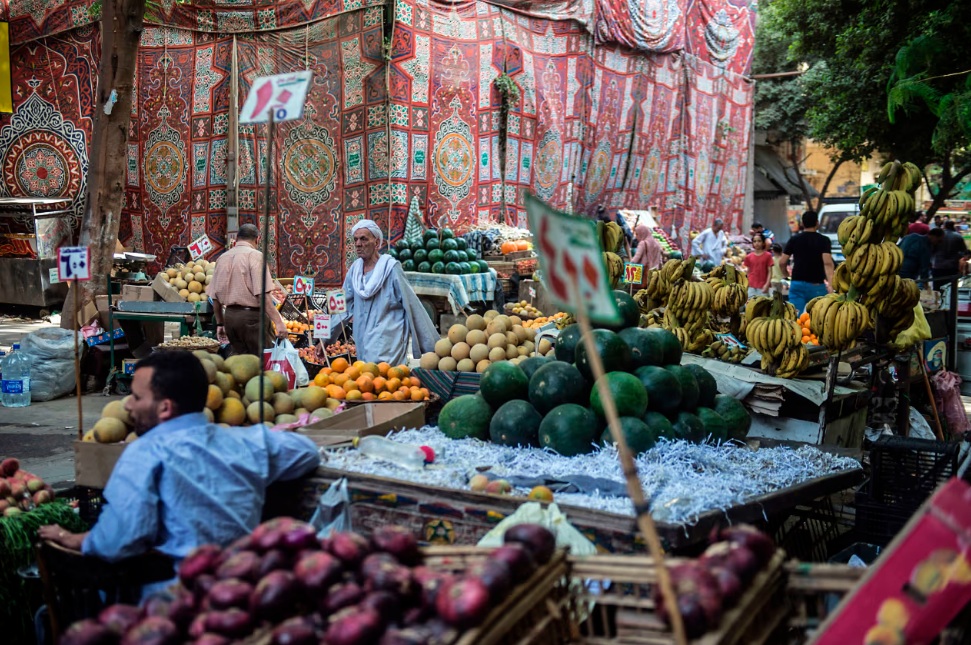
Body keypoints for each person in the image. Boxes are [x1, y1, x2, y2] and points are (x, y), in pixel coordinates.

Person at [39, 352, 319, 577]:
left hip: (177, 601)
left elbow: (119, 540)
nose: (127, 406)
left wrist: (78, 539)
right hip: (243, 587)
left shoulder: (143, 455)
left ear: (164, 408)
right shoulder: (247, 441)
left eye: (136, 397)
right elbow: (307, 452)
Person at [319, 220, 438, 365]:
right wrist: (325, 339)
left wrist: (431, 347)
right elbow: (342, 305)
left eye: (363, 239)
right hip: (362, 337)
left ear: (376, 243)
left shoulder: (391, 268)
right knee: (367, 381)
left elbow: (412, 305)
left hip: (388, 340)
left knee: (388, 381)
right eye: (355, 239)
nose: (358, 244)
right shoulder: (354, 271)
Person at [207, 223, 288, 356]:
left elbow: (214, 297)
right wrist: (278, 323)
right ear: (257, 239)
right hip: (252, 320)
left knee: (240, 362)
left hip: (230, 318)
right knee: (261, 362)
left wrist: (220, 323)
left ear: (237, 238)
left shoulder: (222, 258)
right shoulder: (256, 256)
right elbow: (263, 296)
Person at [778, 210, 835, 314]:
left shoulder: (794, 239)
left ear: (802, 223)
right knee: (819, 318)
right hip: (817, 285)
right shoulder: (824, 240)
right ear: (817, 223)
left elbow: (782, 262)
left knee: (795, 317)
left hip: (797, 284)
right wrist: (831, 284)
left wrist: (786, 275)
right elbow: (827, 263)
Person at [898, 222, 932, 287]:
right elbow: (924, 266)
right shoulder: (924, 244)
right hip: (909, 273)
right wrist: (925, 283)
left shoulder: (907, 238)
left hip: (897, 268)